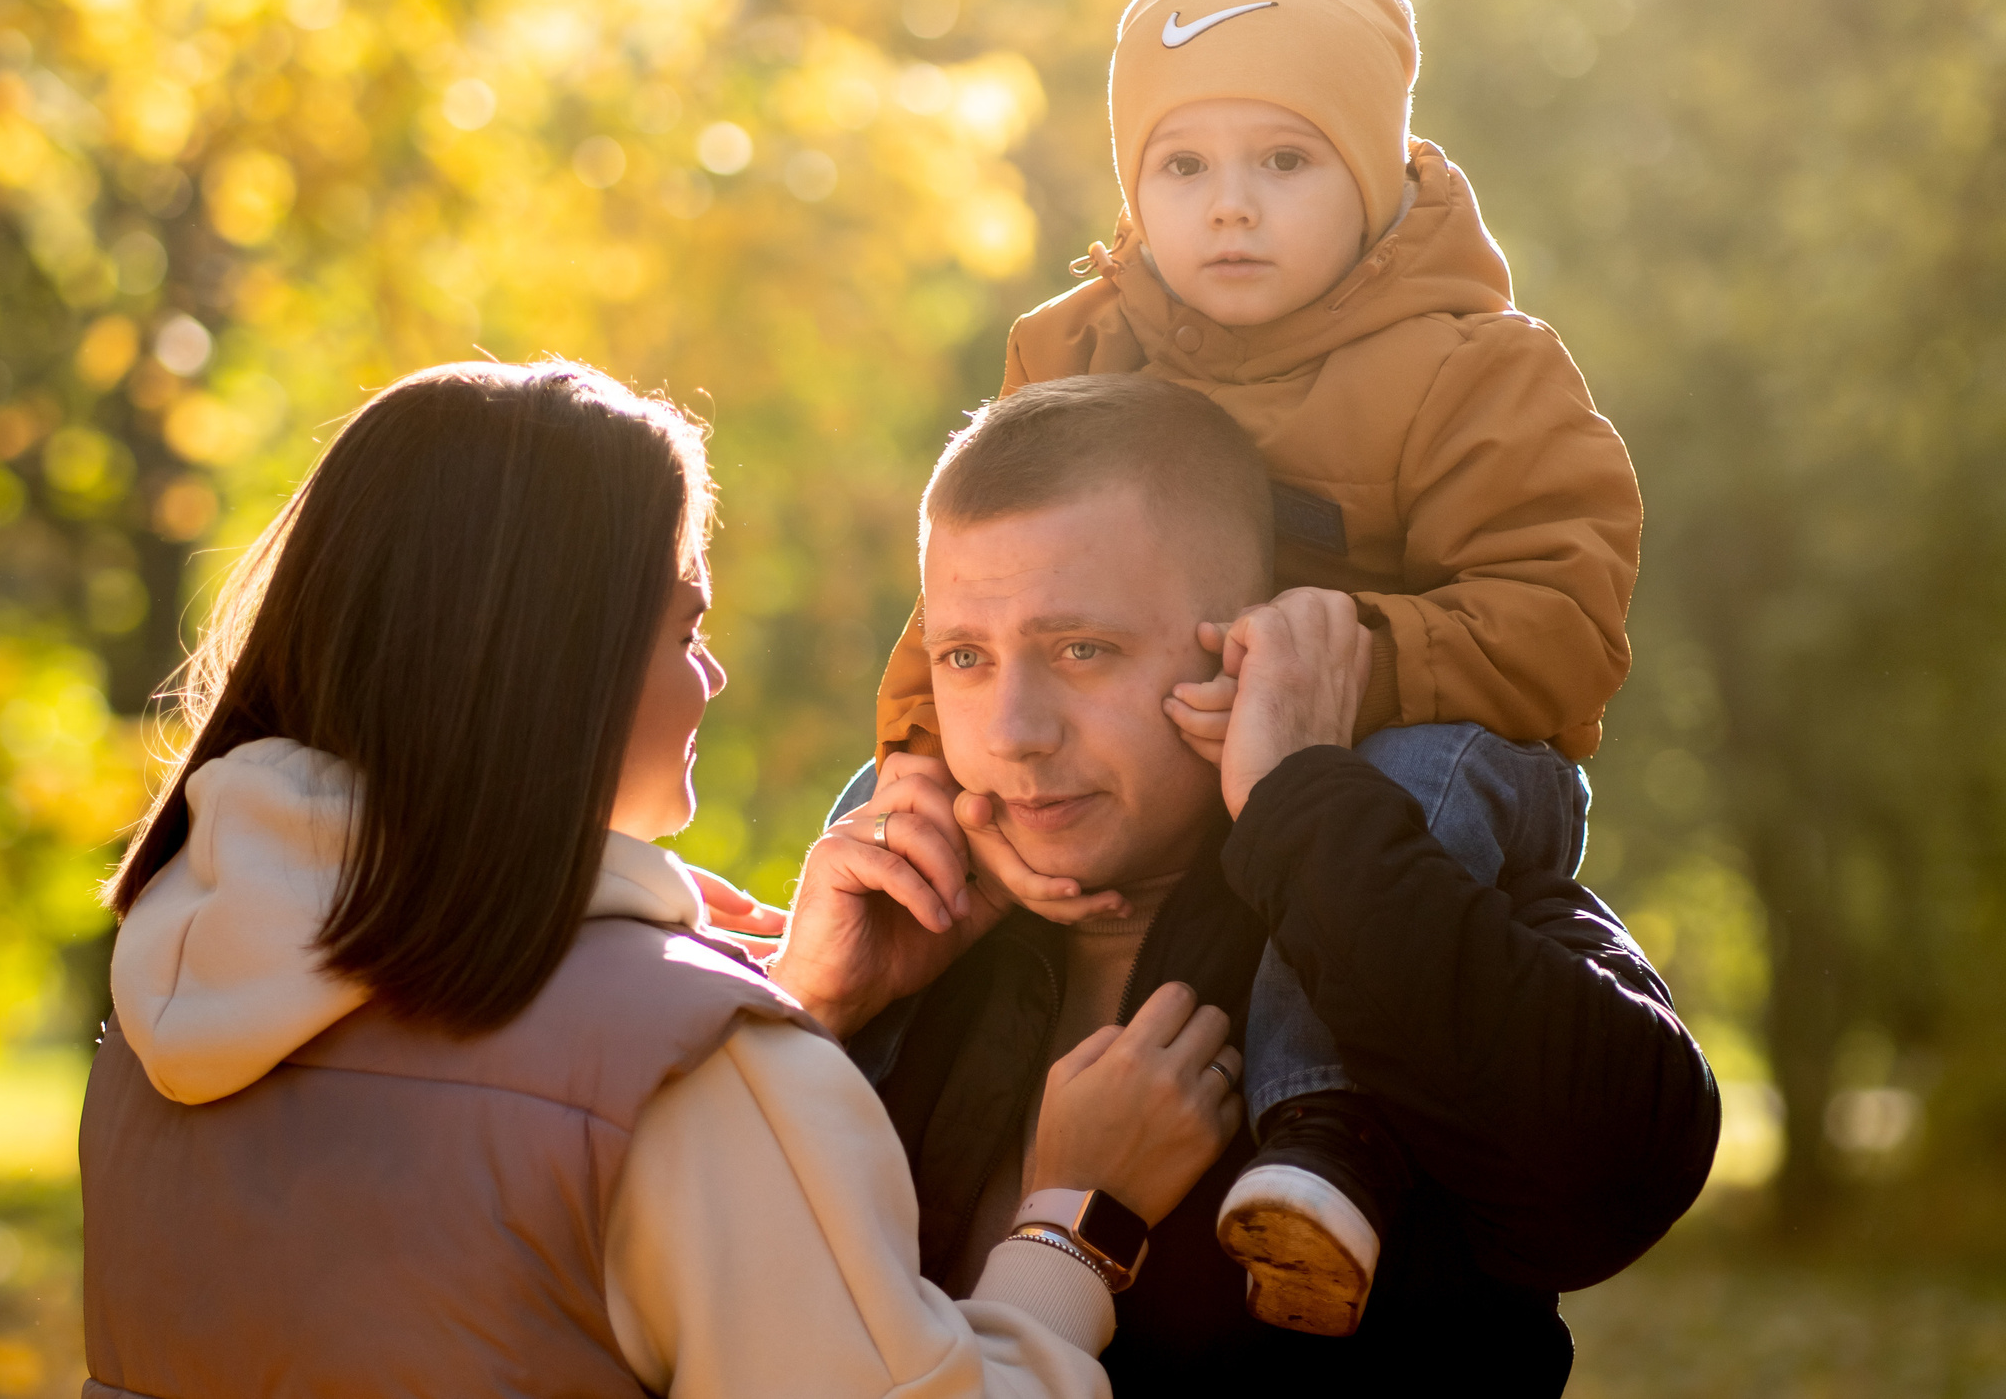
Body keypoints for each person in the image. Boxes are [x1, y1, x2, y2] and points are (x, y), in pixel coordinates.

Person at [78, 358, 1246, 1399]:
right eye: (684, 628)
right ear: (557, 661)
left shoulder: (167, 1009)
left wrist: (804, 1011)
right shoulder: (690, 1074)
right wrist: (1075, 1219)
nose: (713, 676)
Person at [865, 0, 1643, 1333]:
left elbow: (1562, 612)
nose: (1230, 208)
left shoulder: (1472, 368)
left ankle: (1327, 1135)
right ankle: (846, 1068)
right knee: (882, 798)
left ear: (1374, 175)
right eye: (1183, 167)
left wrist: (1359, 668)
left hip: (1426, 735)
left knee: (1381, 798)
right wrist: (928, 761)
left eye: (1285, 162)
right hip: (1185, 749)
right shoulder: (1073, 345)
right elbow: (978, 587)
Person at [773, 376, 1717, 1392]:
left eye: (1082, 649)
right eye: (964, 656)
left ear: (1242, 651)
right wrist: (809, 1012)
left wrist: (1300, 810)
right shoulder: (894, 928)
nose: (1013, 733)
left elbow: (1611, 1183)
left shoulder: (1413, 864)